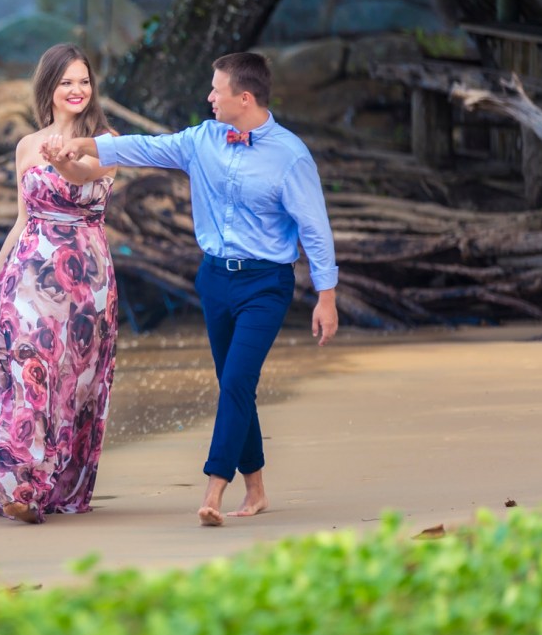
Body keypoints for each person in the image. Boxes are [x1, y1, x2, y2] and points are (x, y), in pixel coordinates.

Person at [53, 51, 338, 527]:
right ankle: (258, 489)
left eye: (216, 89)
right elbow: (143, 148)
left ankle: (213, 489)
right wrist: (81, 147)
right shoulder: (201, 140)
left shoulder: (290, 156)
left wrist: (325, 296)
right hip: (214, 280)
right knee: (233, 384)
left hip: (265, 284)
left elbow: (315, 228)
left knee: (237, 383)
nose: (209, 96)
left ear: (243, 98)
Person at [0, 43, 119, 525]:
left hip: (84, 281)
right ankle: (21, 486)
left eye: (84, 81)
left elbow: (84, 173)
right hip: (27, 274)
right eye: (67, 82)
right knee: (28, 369)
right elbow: (22, 220)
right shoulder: (27, 145)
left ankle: (48, 482)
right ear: (49, 89)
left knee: (68, 382)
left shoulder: (106, 140)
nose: (77, 90)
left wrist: (63, 161)